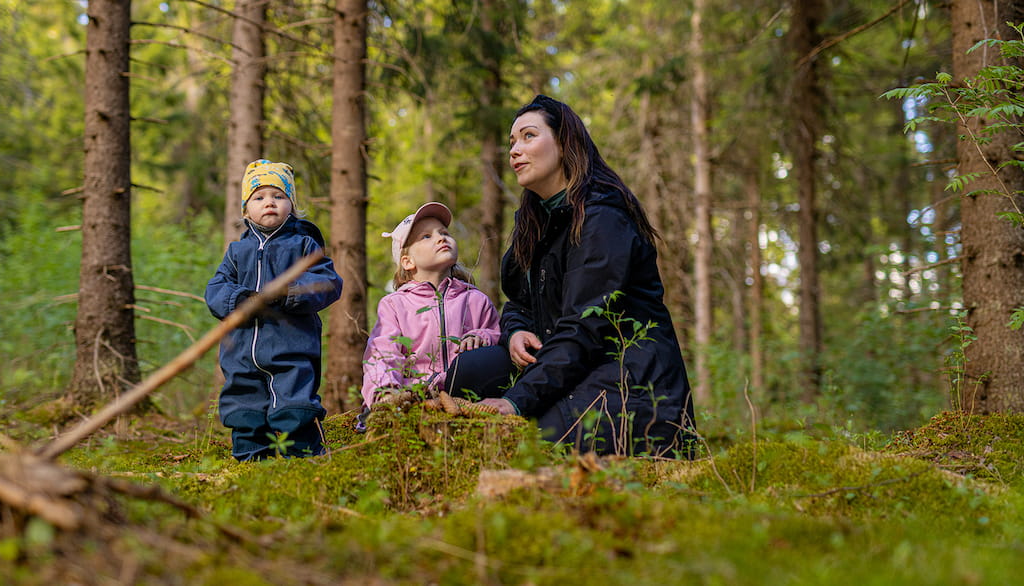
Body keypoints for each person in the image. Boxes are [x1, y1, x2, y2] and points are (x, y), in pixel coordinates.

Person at [447, 95, 695, 457]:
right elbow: (518, 300)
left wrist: (516, 402)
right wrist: (515, 331)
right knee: (467, 373)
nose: (515, 150)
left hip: (624, 375)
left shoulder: (602, 217)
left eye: (529, 136)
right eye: (512, 142)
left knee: (537, 442)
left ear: (564, 143)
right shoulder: (534, 220)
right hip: (560, 363)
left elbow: (584, 330)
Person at [205, 159, 343, 460]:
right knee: (244, 408)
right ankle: (252, 463)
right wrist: (240, 300)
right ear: (246, 210)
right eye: (259, 197)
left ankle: (306, 458)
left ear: (291, 205)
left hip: (292, 348)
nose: (270, 202)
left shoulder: (303, 245)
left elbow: (329, 282)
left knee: (296, 405)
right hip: (241, 353)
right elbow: (215, 290)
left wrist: (288, 293)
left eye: (279, 196)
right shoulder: (236, 252)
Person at [358, 202, 500, 428]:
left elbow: (497, 337)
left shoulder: (475, 300)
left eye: (444, 233)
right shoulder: (395, 305)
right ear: (408, 262)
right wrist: (386, 393)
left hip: (466, 397)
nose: (440, 238)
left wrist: (482, 336)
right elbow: (383, 353)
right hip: (414, 398)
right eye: (426, 237)